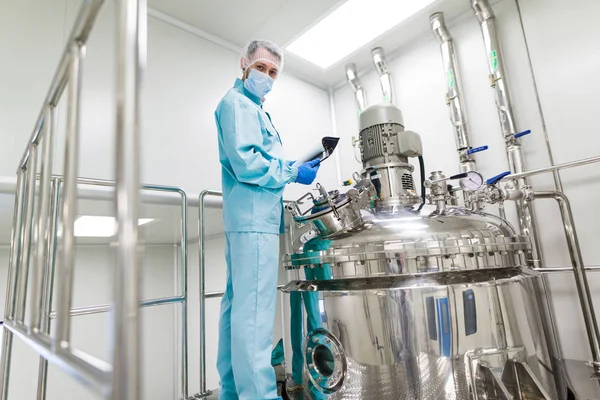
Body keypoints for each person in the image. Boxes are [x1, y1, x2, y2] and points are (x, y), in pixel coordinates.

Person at [214, 40, 321, 400]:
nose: (266, 76)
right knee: (255, 317)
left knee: (237, 310)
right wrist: (291, 171)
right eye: (261, 68)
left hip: (249, 218)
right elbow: (247, 163)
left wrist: (289, 169)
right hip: (252, 219)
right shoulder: (238, 104)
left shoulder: (251, 108)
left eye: (273, 72)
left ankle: (232, 393)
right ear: (244, 63)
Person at [287, 236, 332, 399]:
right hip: (314, 254)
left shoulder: (307, 243)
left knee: (309, 318)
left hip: (307, 255)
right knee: (314, 320)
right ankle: (318, 383)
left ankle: (304, 378)